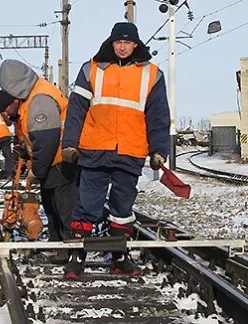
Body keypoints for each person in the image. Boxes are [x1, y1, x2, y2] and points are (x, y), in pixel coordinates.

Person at [62, 22, 170, 279]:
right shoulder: (91, 69)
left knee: (123, 208)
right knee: (88, 205)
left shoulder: (152, 74)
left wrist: (159, 149)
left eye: (128, 42)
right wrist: (69, 143)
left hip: (130, 150)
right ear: (112, 43)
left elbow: (158, 116)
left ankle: (120, 258)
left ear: (136, 44)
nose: (123, 47)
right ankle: (77, 257)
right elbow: (76, 109)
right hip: (95, 148)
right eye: (118, 42)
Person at [0, 60, 77, 262]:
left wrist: (36, 171)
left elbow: (47, 140)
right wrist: (24, 151)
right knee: (51, 207)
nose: (6, 115)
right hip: (53, 162)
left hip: (60, 162)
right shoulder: (29, 100)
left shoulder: (40, 98)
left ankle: (72, 250)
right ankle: (57, 243)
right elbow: (32, 138)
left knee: (64, 208)